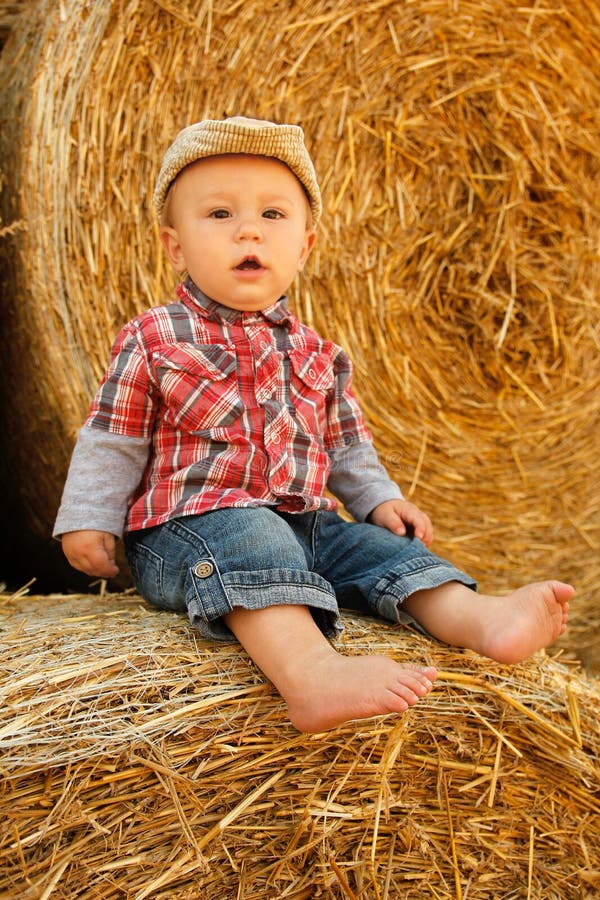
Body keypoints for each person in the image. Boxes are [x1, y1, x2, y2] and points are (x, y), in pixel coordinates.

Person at [54, 116, 573, 733]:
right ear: (175, 246)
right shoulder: (155, 336)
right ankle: (310, 674)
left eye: (273, 216)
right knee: (254, 537)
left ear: (304, 247)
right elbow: (114, 436)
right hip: (189, 532)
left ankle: (481, 618)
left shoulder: (318, 353)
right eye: (219, 215)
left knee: (380, 549)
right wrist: (87, 517)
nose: (248, 228)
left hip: (305, 522)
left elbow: (348, 447)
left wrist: (380, 500)